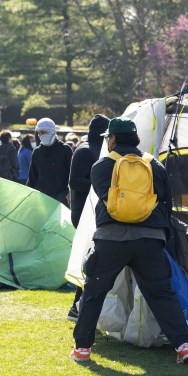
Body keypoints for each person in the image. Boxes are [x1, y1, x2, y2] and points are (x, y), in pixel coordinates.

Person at [71, 116, 188, 364]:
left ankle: (82, 349)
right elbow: (166, 205)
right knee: (161, 294)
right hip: (150, 240)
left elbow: (108, 202)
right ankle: (184, 346)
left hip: (111, 240)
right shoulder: (155, 166)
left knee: (95, 292)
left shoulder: (102, 167)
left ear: (113, 139)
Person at [66, 114, 110, 322]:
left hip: (94, 213)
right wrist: (100, 186)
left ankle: (80, 305)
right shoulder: (84, 150)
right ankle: (77, 306)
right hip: (82, 213)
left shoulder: (98, 149)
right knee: (90, 261)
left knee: (94, 261)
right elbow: (74, 181)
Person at [27, 118, 73, 206]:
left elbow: (72, 174)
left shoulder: (65, 149)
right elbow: (32, 178)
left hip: (61, 198)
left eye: (43, 132)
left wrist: (71, 193)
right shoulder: (37, 152)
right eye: (39, 133)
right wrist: (28, 197)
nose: (40, 135)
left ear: (51, 131)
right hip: (42, 198)